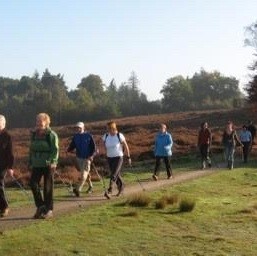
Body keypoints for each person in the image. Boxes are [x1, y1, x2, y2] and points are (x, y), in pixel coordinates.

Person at [29, 113, 59, 219]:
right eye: (37, 121)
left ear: (46, 122)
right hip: (37, 163)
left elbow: (55, 150)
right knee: (33, 183)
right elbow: (31, 150)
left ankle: (49, 209)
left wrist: (53, 161)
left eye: (40, 121)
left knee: (48, 187)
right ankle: (41, 206)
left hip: (48, 164)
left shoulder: (51, 134)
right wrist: (30, 162)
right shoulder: (34, 134)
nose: (38, 123)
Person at [66, 122, 96, 197]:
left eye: (79, 127)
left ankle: (78, 189)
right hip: (79, 158)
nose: (78, 129)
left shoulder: (88, 136)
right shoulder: (75, 136)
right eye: (77, 127)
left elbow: (94, 148)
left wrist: (92, 155)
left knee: (83, 174)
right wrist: (68, 150)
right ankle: (91, 187)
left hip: (87, 158)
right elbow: (72, 145)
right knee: (85, 173)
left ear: (83, 128)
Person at [102, 121, 131, 197]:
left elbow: (126, 146)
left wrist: (128, 157)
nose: (107, 129)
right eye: (107, 128)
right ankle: (122, 187)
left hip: (118, 157)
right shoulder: (106, 136)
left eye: (108, 127)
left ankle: (110, 190)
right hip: (109, 158)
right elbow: (104, 146)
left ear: (112, 128)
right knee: (116, 174)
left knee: (113, 174)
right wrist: (105, 154)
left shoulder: (119, 135)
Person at [0, 115, 14, 218]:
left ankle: (5, 207)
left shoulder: (7, 136)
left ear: (3, 124)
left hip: (3, 165)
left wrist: (10, 168)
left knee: (0, 184)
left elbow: (10, 153)